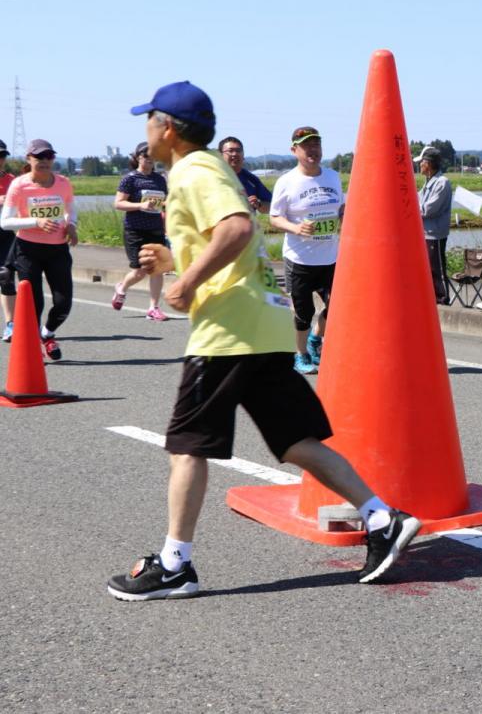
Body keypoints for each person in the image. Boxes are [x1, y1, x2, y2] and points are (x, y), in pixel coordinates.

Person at [108, 81, 419, 601]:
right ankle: (383, 519)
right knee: (296, 441)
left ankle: (175, 564)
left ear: (168, 129)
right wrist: (174, 262)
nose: (145, 130)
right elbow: (228, 238)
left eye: (149, 120)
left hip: (228, 331)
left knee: (186, 446)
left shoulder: (193, 169)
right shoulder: (210, 169)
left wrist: (185, 283)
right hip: (262, 323)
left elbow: (237, 230)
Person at [268, 127, 343, 374]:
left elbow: (341, 210)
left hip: (331, 257)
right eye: (306, 145)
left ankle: (315, 339)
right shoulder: (287, 181)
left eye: (316, 145)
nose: (313, 150)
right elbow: (275, 217)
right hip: (300, 259)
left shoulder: (332, 176)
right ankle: (300, 355)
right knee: (303, 313)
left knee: (338, 307)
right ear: (294, 150)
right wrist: (296, 228)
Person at [0, 139, 77, 361]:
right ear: (29, 159)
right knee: (35, 302)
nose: (44, 161)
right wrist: (36, 222)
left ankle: (48, 333)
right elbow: (5, 222)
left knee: (63, 303)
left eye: (49, 157)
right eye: (39, 157)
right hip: (28, 249)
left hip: (57, 249)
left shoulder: (63, 183)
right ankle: (33, 343)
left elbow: (71, 209)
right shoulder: (19, 185)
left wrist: (72, 225)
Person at [112, 142, 169, 321]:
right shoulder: (130, 179)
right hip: (135, 230)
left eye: (152, 156)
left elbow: (165, 203)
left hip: (155, 229)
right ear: (137, 157)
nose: (149, 160)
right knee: (139, 271)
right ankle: (121, 288)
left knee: (157, 269)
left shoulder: (160, 179)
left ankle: (153, 308)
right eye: (145, 156)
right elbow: (118, 203)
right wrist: (140, 205)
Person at [416, 145, 451, 305]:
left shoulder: (442, 183)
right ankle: (433, 298)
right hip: (425, 232)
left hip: (435, 233)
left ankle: (443, 298)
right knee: (428, 269)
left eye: (421, 162)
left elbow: (428, 209)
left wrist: (412, 208)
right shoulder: (429, 181)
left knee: (437, 269)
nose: (419, 165)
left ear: (428, 164)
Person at [218, 136, 272, 213]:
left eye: (238, 150)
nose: (235, 154)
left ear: (243, 155)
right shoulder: (211, 177)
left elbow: (270, 207)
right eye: (230, 151)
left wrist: (258, 204)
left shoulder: (251, 180)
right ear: (220, 155)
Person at [0, 139, 16, 341]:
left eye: (2, 156)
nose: (0, 159)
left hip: (6, 234)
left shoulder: (12, 180)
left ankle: (10, 324)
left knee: (6, 276)